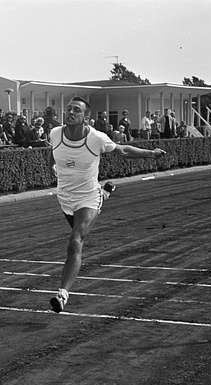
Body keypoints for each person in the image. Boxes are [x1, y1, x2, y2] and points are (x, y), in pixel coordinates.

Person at [48, 97, 166, 313]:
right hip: (64, 198)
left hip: (87, 198)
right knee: (77, 234)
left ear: (86, 117)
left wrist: (151, 154)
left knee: (76, 241)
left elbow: (123, 151)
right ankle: (106, 193)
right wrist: (53, 168)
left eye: (76, 110)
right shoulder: (55, 133)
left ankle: (62, 295)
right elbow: (52, 154)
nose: (70, 113)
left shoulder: (96, 138)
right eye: (69, 109)